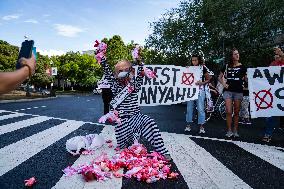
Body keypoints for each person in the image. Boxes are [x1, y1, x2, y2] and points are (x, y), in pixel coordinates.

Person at [97, 45, 171, 160]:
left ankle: (162, 150)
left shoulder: (134, 84)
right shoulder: (114, 84)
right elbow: (106, 70)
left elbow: (142, 71)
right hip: (122, 123)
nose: (123, 73)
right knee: (126, 147)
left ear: (130, 71)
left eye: (126, 70)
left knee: (150, 122)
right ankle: (132, 141)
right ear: (117, 73)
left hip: (136, 118)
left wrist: (138, 59)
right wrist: (101, 56)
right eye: (120, 71)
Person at [218, 48, 247, 138]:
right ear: (231, 56)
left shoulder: (243, 67)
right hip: (228, 91)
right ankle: (229, 130)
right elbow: (219, 77)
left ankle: (235, 130)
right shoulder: (227, 66)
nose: (237, 55)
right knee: (229, 111)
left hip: (238, 92)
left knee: (237, 112)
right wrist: (223, 83)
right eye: (235, 54)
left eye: (238, 53)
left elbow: (246, 79)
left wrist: (246, 79)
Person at [185, 54, 211, 134]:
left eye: (195, 60)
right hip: (190, 91)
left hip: (200, 91)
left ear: (199, 60)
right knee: (189, 109)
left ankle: (201, 127)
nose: (194, 62)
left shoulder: (202, 68)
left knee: (200, 109)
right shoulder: (189, 68)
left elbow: (209, 79)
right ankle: (188, 125)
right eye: (192, 60)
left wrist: (202, 83)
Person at [262, 47, 284, 142]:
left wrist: (281, 53)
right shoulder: (272, 64)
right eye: (275, 55)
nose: (276, 56)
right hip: (275, 94)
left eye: (278, 55)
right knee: (271, 115)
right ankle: (268, 134)